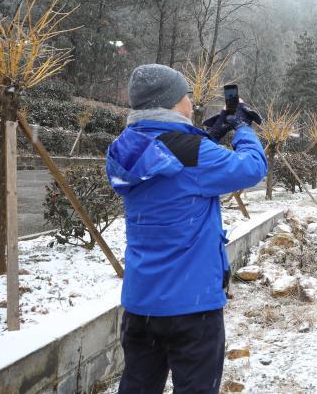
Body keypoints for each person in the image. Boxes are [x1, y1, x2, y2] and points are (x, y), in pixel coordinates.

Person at [106, 64, 267, 394]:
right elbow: (252, 168)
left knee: (138, 386)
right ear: (170, 102)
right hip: (192, 309)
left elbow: (169, 162)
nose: (191, 104)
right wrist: (243, 128)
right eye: (186, 97)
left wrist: (210, 136)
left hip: (141, 303)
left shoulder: (122, 149)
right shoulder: (195, 155)